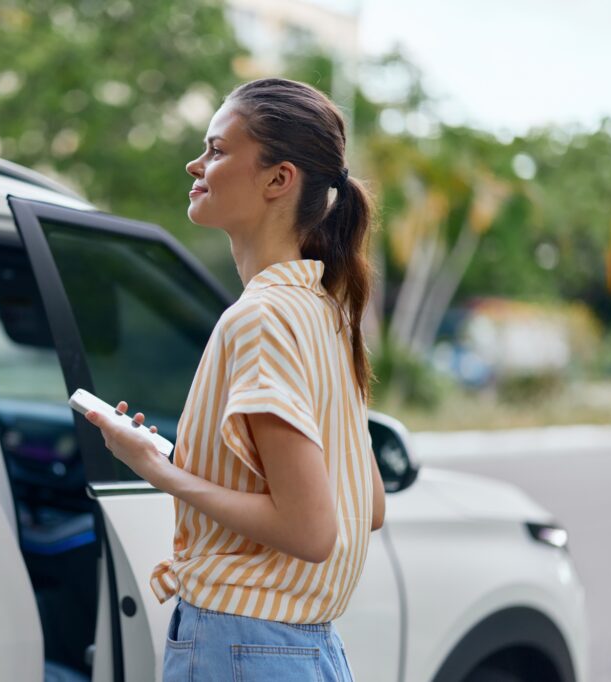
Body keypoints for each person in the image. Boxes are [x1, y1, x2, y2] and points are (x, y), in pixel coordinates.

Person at [83, 78, 387, 680]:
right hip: (303, 649)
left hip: (242, 643)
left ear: (279, 179)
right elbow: (367, 504)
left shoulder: (261, 317)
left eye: (218, 151)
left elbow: (310, 530)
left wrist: (158, 470)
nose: (196, 164)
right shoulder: (322, 311)